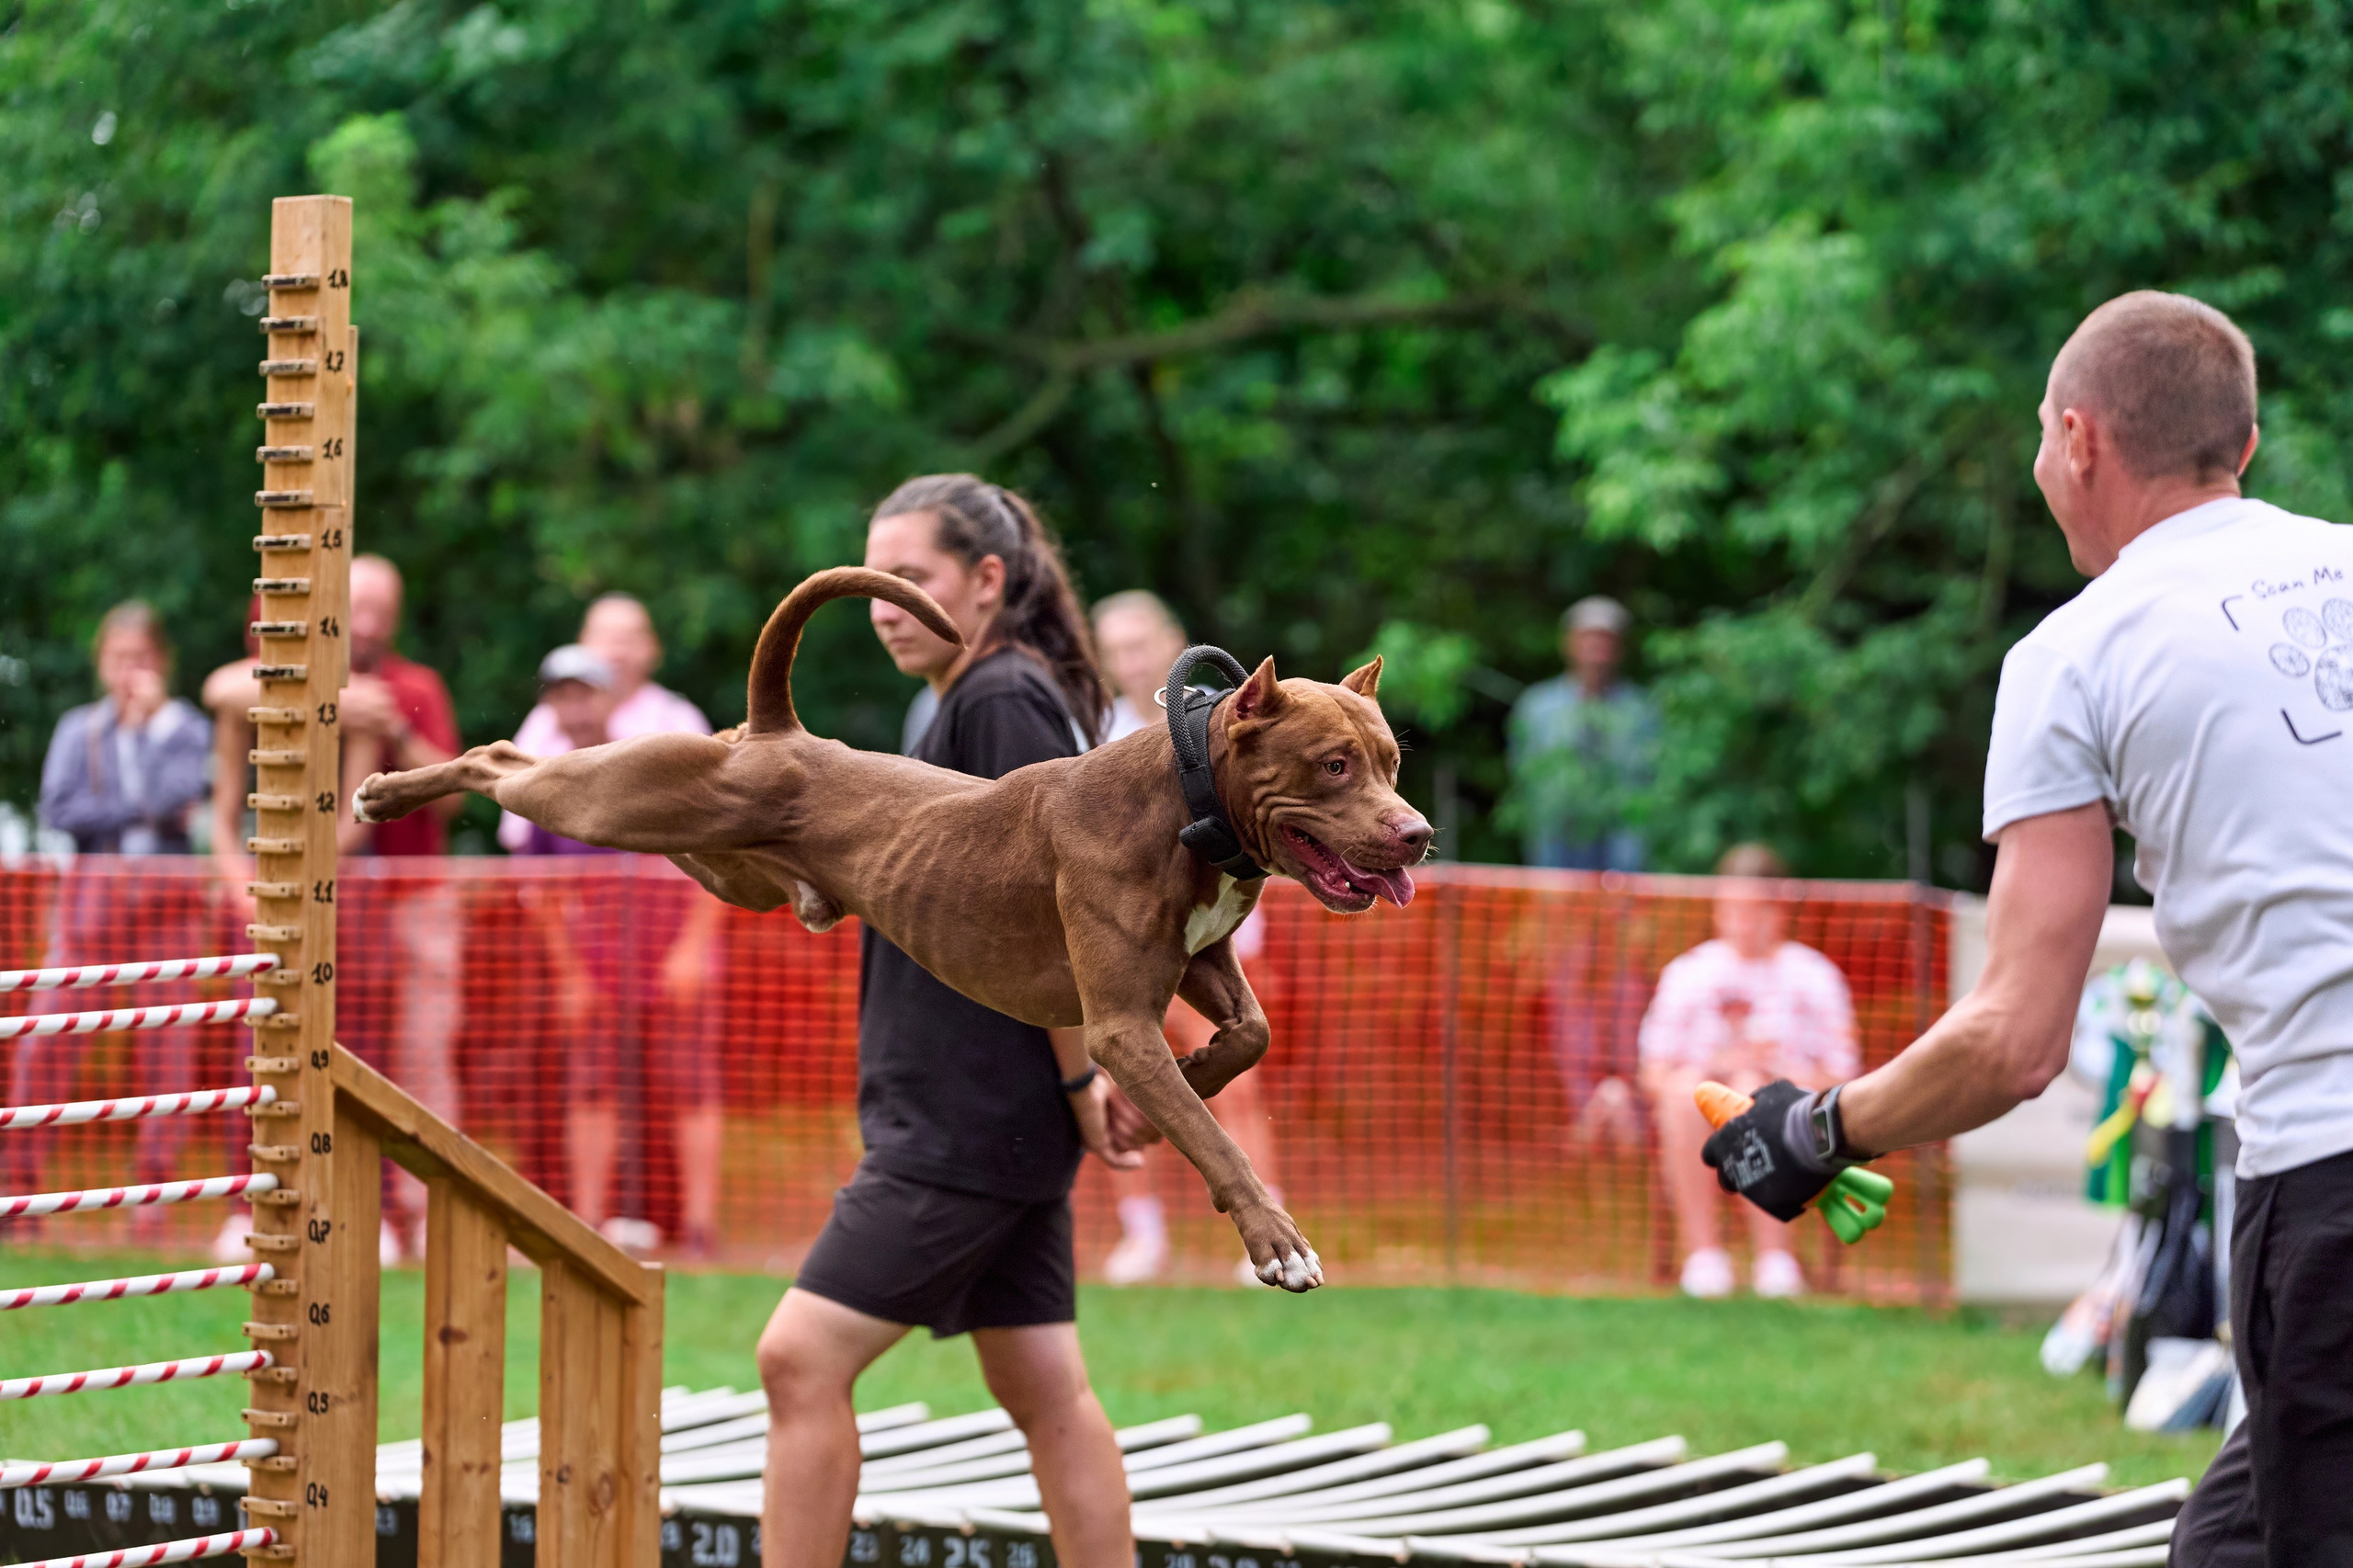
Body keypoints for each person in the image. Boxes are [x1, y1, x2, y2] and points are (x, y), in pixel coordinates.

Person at [1695, 292, 2353, 1563]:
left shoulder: (2076, 654)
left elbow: (2015, 1040)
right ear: (2247, 447)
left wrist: (1816, 1130)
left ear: (2077, 438)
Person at [756, 473, 1140, 1568]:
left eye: (911, 577)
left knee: (799, 1358)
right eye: (876, 579)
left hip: (974, 1115)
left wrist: (1079, 1085)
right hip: (993, 1111)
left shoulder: (999, 700)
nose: (883, 602)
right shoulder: (973, 695)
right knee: (1043, 1383)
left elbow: (1065, 916)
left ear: (986, 579)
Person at [206, 554, 461, 1261]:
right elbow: (222, 801)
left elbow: (356, 819)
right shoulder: (248, 698)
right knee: (252, 1048)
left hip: (358, 901)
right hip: (268, 902)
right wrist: (248, 889)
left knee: (367, 1052)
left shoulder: (394, 695)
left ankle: (379, 1210)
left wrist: (304, 879)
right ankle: (246, 1202)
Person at [1088, 588, 1285, 1286]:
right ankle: (1142, 1233)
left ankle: (1265, 1220)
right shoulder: (1099, 728)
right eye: (1115, 650)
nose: (1129, 662)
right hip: (1134, 937)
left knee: (1236, 1083)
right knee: (1133, 1079)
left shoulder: (1223, 715)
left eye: (1139, 644)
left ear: (1172, 639)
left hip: (1221, 929)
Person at [505, 639, 726, 1256]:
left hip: (669, 946)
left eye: (584, 694)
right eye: (561, 696)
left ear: (609, 697)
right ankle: (587, 1222)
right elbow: (540, 891)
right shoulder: (544, 782)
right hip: (594, 959)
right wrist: (570, 973)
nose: (574, 708)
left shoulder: (653, 766)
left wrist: (693, 949)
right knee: (591, 1086)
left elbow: (718, 854)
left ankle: (703, 1232)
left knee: (691, 1085)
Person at [6, 603, 212, 1220]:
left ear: (162, 663)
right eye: (120, 658)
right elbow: (60, 809)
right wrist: (139, 808)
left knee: (169, 1053)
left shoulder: (184, 728)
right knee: (44, 1038)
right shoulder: (78, 730)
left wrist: (149, 738)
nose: (131, 672)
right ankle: (16, 1185)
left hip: (168, 916)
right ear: (102, 662)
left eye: (143, 659)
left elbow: (178, 794)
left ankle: (154, 1189)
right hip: (90, 916)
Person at [1637, 844, 1857, 1299]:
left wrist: (1773, 1069)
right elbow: (1653, 1072)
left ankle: (1775, 1259)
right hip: (1700, 1112)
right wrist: (1717, 1069)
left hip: (1794, 1115)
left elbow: (1844, 1076)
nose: (1741, 920)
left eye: (1754, 909)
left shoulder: (1813, 975)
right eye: (1731, 907)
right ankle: (1704, 1259)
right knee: (1685, 1095)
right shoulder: (1689, 972)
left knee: (1754, 1093)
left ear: (1779, 909)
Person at [1506, 596, 1658, 871]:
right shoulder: (1537, 706)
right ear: (1568, 643)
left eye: (1606, 639)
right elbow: (1522, 770)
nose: (1597, 648)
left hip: (1623, 833)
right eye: (1589, 638)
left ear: (1621, 647)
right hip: (1555, 833)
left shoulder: (1643, 710)